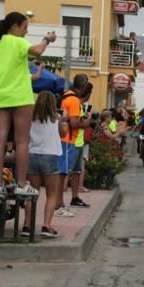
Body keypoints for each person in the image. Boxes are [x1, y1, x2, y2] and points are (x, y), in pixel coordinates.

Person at [0, 11, 55, 196]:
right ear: (15, 26)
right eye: (25, 27)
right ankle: (22, 184)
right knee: (22, 140)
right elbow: (38, 51)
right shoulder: (17, 41)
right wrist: (47, 39)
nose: (25, 32)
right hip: (21, 97)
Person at [22, 91, 67, 238]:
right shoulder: (56, 118)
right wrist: (64, 119)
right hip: (50, 156)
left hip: (32, 155)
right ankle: (46, 226)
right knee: (51, 194)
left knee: (32, 193)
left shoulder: (31, 118)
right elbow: (63, 134)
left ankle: (27, 226)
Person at [57, 75, 90, 217]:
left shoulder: (65, 96)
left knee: (63, 173)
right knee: (63, 174)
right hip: (69, 140)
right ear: (83, 86)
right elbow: (74, 123)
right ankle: (59, 204)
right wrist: (87, 122)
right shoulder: (74, 100)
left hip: (64, 139)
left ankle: (59, 203)